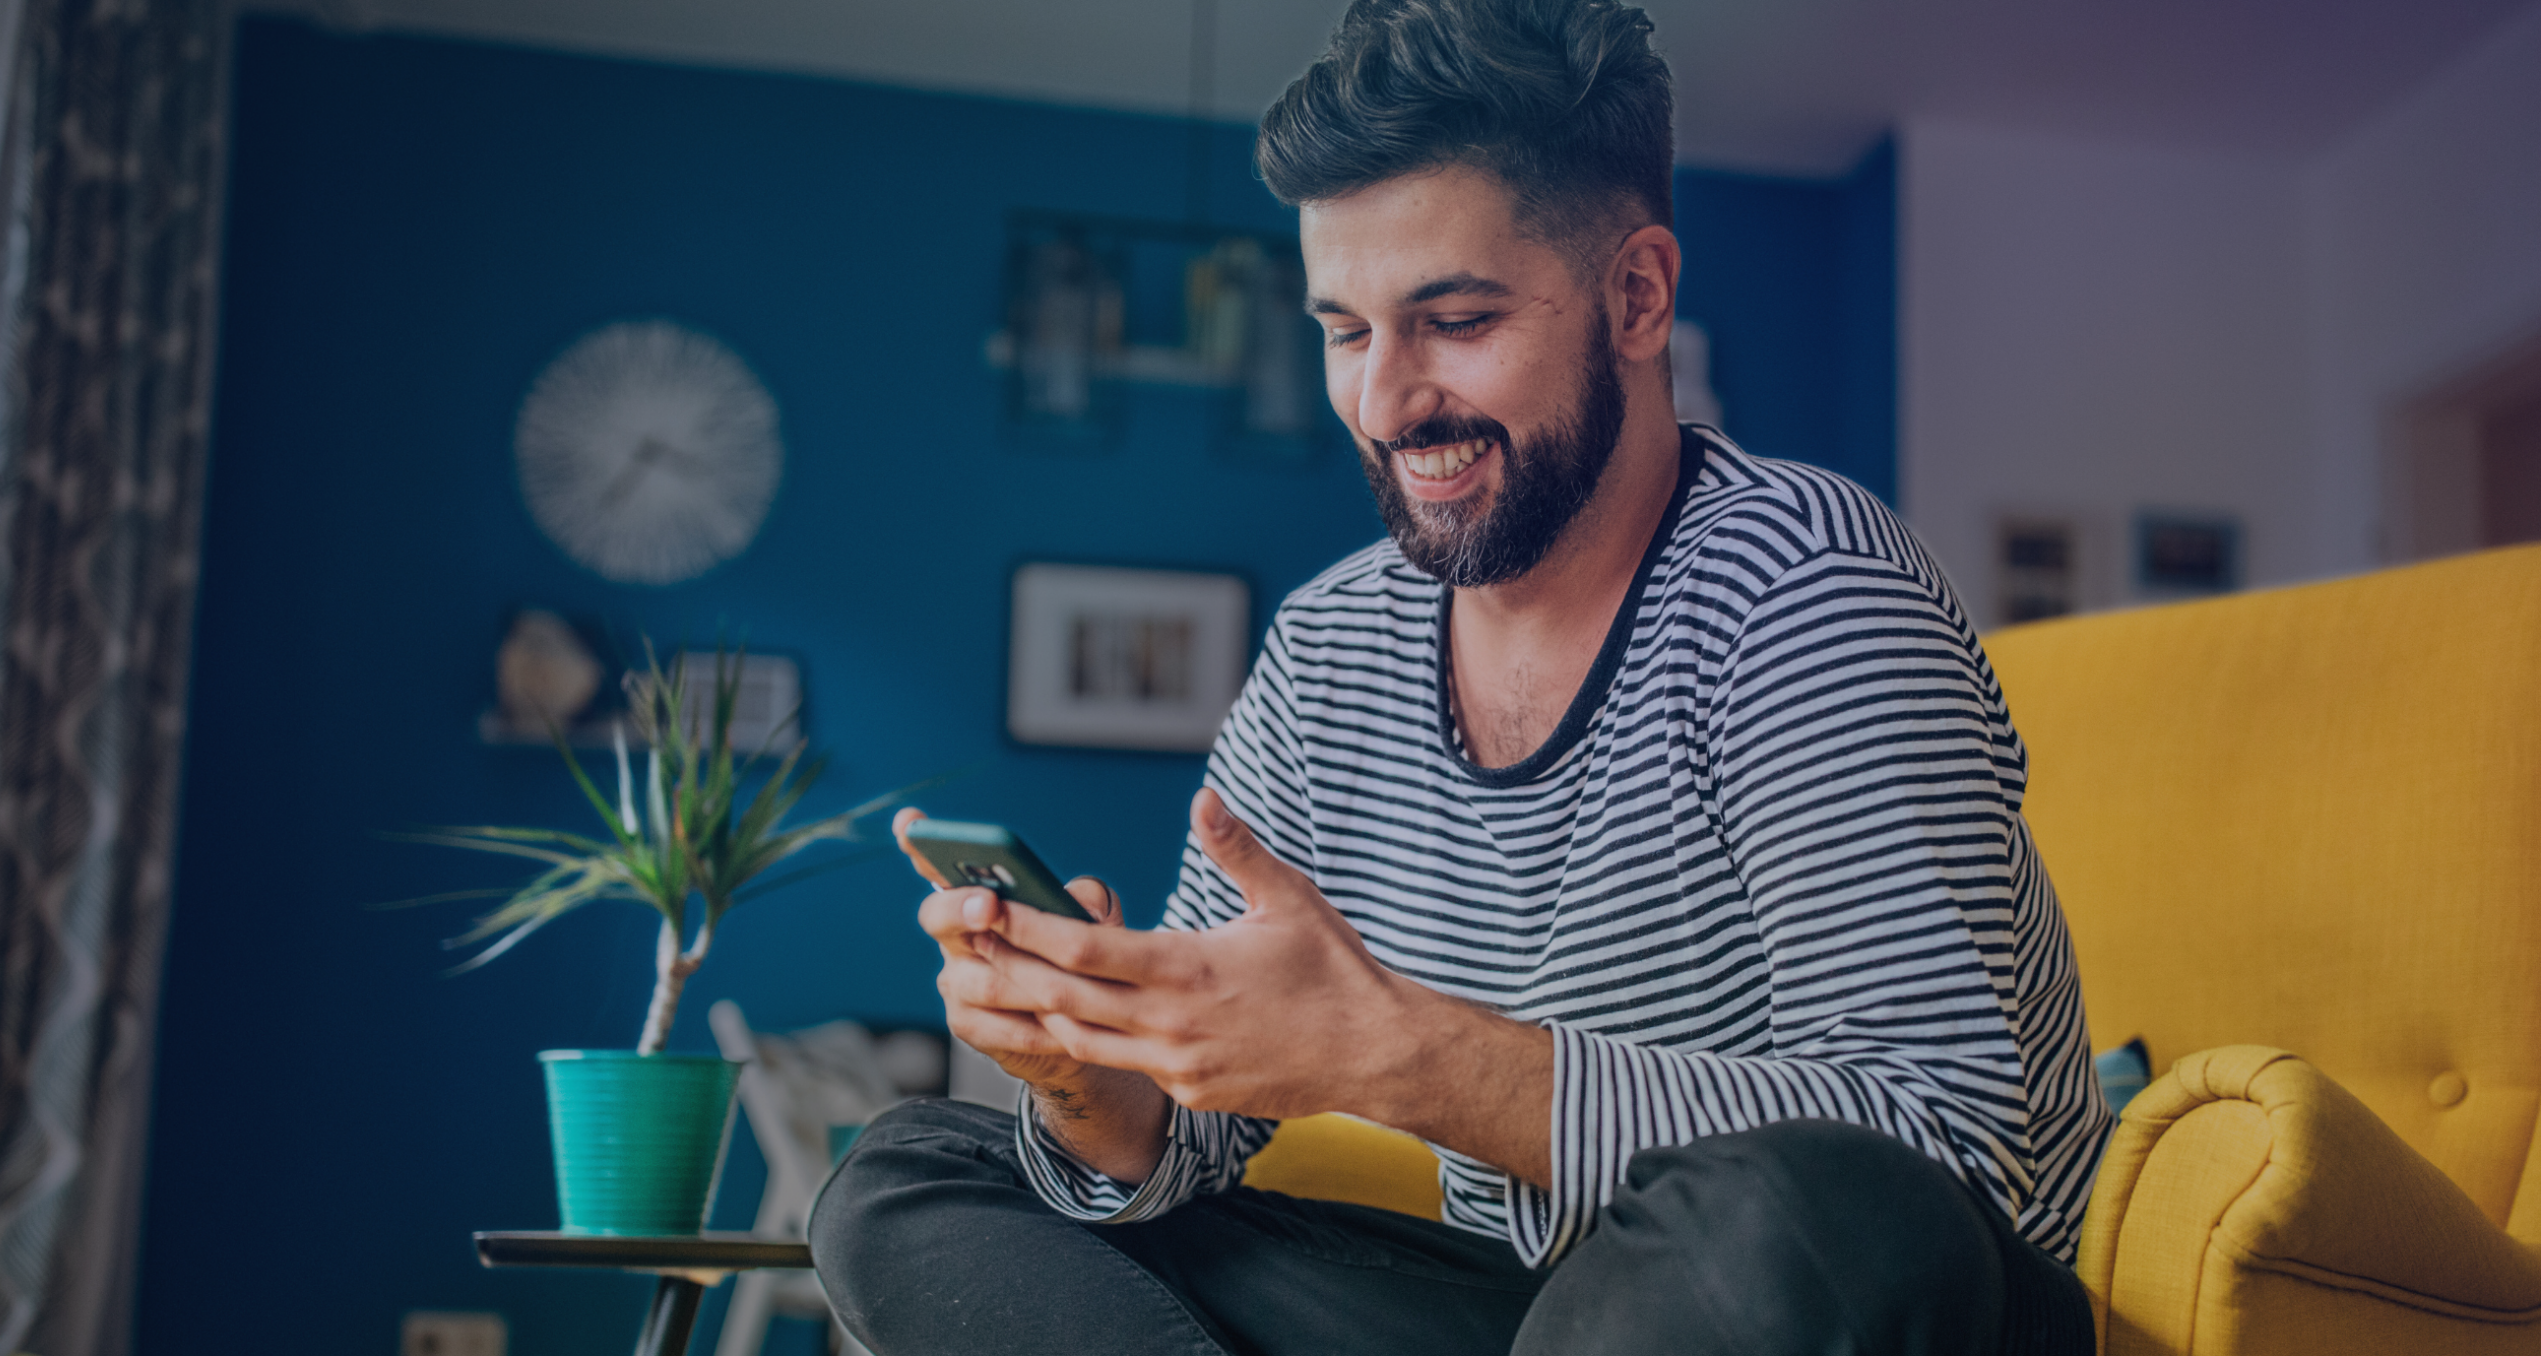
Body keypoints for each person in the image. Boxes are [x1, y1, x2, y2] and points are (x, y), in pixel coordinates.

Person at [813, 1, 2110, 1351]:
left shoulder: (1808, 590)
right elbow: (1180, 1139)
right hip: (1553, 1313)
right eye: (1345, 331)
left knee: (1799, 1202)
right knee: (913, 1175)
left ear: (1638, 296)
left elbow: (1944, 1157)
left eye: (1455, 320)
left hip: (1861, 1295)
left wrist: (1397, 1053)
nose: (1383, 401)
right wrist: (1085, 1074)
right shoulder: (1331, 652)